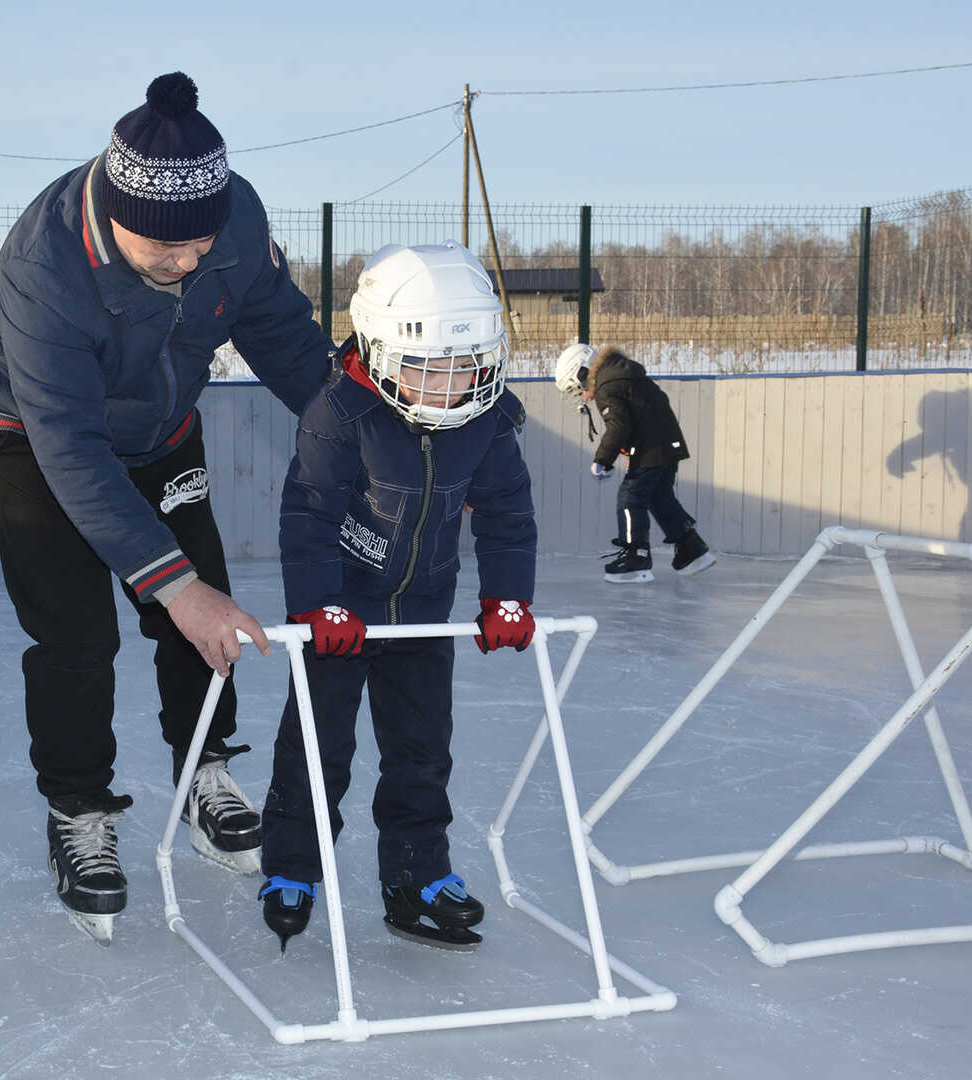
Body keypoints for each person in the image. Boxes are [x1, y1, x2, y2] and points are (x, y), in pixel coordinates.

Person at [0, 72, 335, 944]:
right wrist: (173, 582)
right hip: (29, 432)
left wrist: (365, 437)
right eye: (164, 249)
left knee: (202, 618)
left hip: (160, 426)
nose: (190, 260)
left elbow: (281, 337)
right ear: (112, 210)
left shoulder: (232, 217)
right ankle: (79, 808)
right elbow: (73, 455)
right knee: (77, 632)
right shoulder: (44, 270)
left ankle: (204, 771)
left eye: (202, 242)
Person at [256, 242, 538, 952]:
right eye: (425, 370)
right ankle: (292, 866)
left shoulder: (487, 421)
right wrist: (319, 605)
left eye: (463, 368)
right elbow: (309, 516)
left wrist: (506, 598)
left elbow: (507, 514)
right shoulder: (339, 414)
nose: (448, 389)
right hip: (339, 618)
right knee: (317, 748)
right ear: (382, 353)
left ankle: (415, 876)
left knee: (421, 754)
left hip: (420, 615)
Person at [553, 343, 715, 583]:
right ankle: (691, 548)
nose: (582, 395)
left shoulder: (607, 385)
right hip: (667, 443)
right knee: (659, 497)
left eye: (578, 389)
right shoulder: (622, 372)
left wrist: (602, 460)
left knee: (630, 498)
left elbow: (619, 426)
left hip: (652, 447)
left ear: (584, 373)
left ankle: (635, 556)